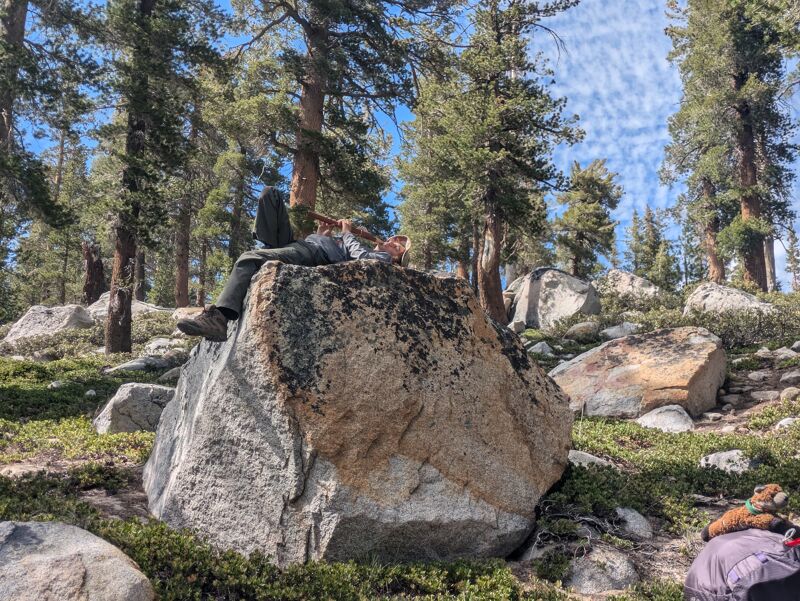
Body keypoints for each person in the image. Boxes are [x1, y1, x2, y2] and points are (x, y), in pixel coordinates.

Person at [176, 187, 405, 341]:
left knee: (248, 258)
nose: (393, 240)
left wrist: (346, 233)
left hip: (308, 253)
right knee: (270, 194)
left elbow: (360, 259)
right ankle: (267, 247)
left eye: (397, 245)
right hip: (303, 246)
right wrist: (322, 234)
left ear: (395, 258)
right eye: (395, 238)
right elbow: (342, 250)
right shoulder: (364, 248)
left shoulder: (381, 260)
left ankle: (219, 319)